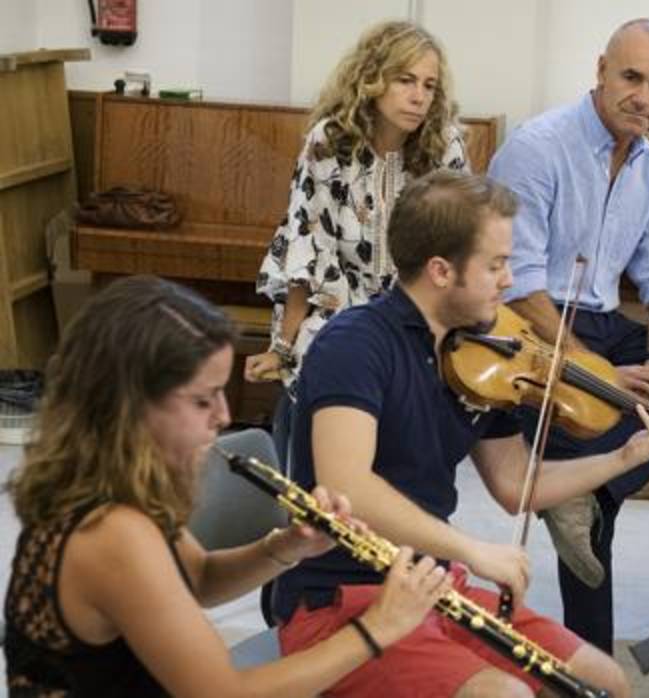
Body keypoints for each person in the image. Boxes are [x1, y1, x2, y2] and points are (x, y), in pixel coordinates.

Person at [275, 170, 649, 697]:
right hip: (341, 599)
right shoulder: (355, 344)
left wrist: (628, 456)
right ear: (442, 271)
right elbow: (346, 487)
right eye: (495, 265)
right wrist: (472, 549)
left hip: (432, 587)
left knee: (603, 681)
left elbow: (518, 485)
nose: (510, 280)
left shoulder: (480, 355)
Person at [3, 275, 451, 697]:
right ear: (129, 407)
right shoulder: (112, 532)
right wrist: (378, 628)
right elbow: (224, 693)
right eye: (202, 399)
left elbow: (196, 578)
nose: (222, 415)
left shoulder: (116, 485)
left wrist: (286, 547)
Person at [487, 18, 649, 653]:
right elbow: (518, 284)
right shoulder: (537, 146)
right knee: (589, 509)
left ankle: (595, 490)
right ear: (601, 70)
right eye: (632, 77)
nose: (646, 97)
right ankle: (592, 659)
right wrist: (602, 375)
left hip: (607, 324)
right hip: (534, 327)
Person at [246, 20, 470, 467]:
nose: (418, 96)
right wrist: (283, 348)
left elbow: (457, 246)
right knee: (314, 368)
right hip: (338, 304)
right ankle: (303, 502)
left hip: (415, 314)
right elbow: (307, 245)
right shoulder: (329, 142)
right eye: (405, 80)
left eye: (428, 85)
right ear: (372, 78)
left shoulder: (444, 145)